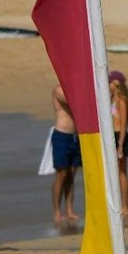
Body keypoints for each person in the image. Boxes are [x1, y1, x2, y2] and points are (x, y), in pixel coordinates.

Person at [49, 83, 81, 225]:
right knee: (61, 174)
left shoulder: (75, 90)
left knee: (71, 174)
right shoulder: (58, 90)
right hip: (61, 135)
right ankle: (57, 210)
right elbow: (73, 104)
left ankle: (69, 209)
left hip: (75, 136)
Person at [109, 70, 128, 217]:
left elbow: (124, 124)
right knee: (113, 173)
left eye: (110, 82)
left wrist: (120, 145)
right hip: (112, 135)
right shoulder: (112, 98)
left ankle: (125, 206)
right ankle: (116, 204)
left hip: (120, 136)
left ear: (116, 83)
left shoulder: (121, 100)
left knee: (121, 172)